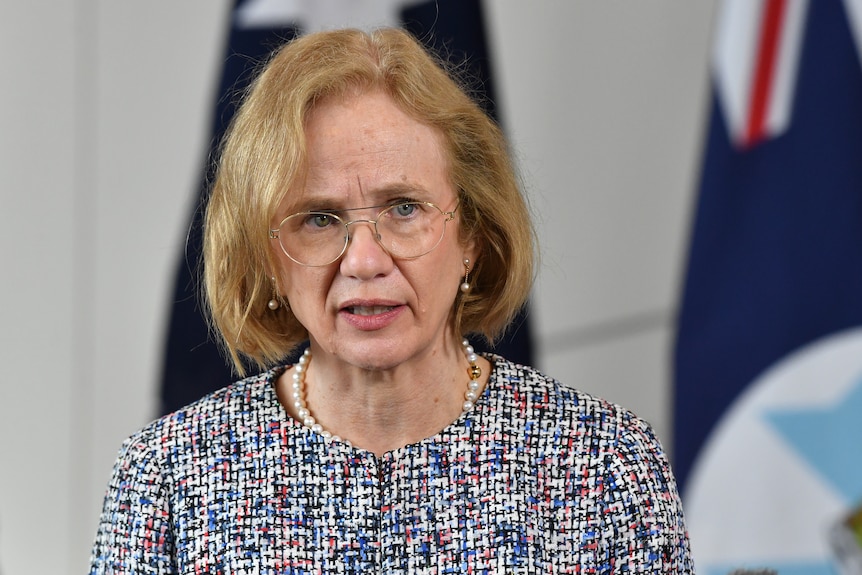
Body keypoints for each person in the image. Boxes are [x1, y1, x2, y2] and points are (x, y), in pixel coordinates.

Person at [90, 27, 695, 573]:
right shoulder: (166, 480)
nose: (364, 261)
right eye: (320, 218)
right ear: (268, 259)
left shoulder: (606, 465)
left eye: (404, 209)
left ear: (474, 239)